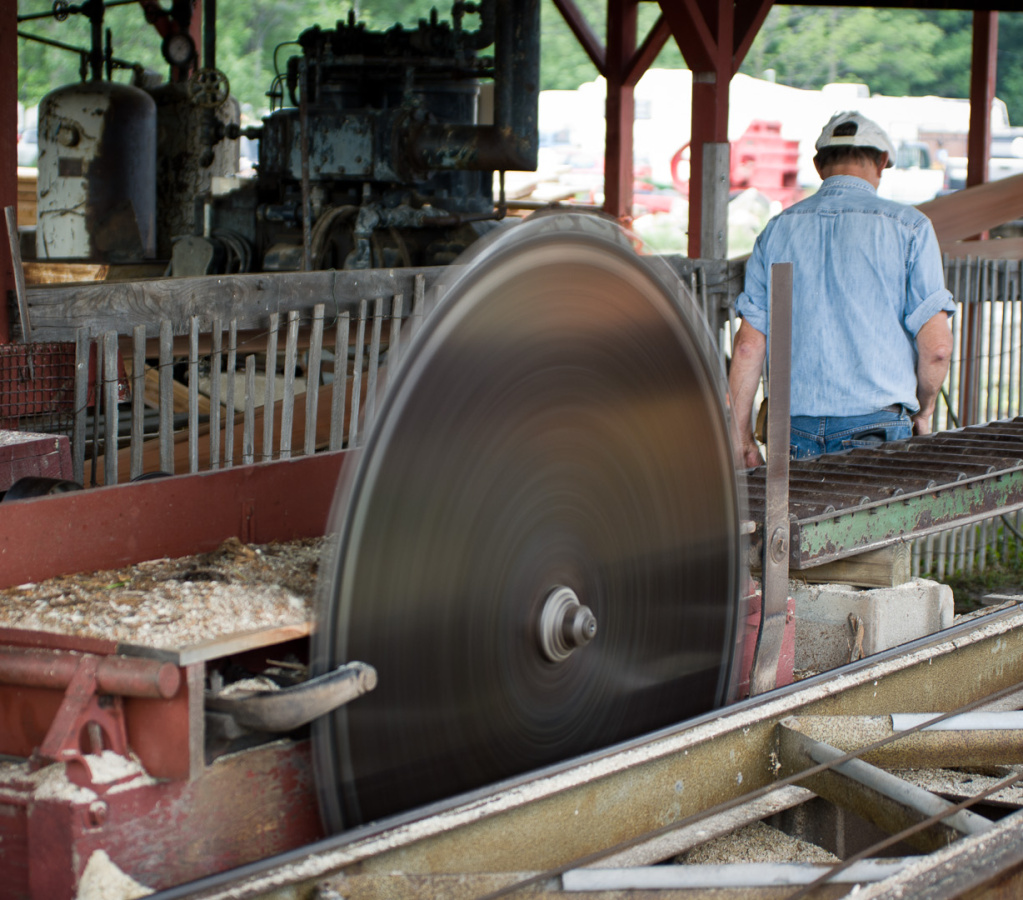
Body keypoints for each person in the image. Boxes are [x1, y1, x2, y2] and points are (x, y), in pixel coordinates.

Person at [728, 111, 955, 468]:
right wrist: (924, 410)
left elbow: (747, 347)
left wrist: (742, 439)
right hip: (878, 427)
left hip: (793, 431)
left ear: (819, 166)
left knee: (795, 525)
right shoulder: (910, 228)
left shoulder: (776, 231)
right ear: (882, 162)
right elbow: (938, 349)